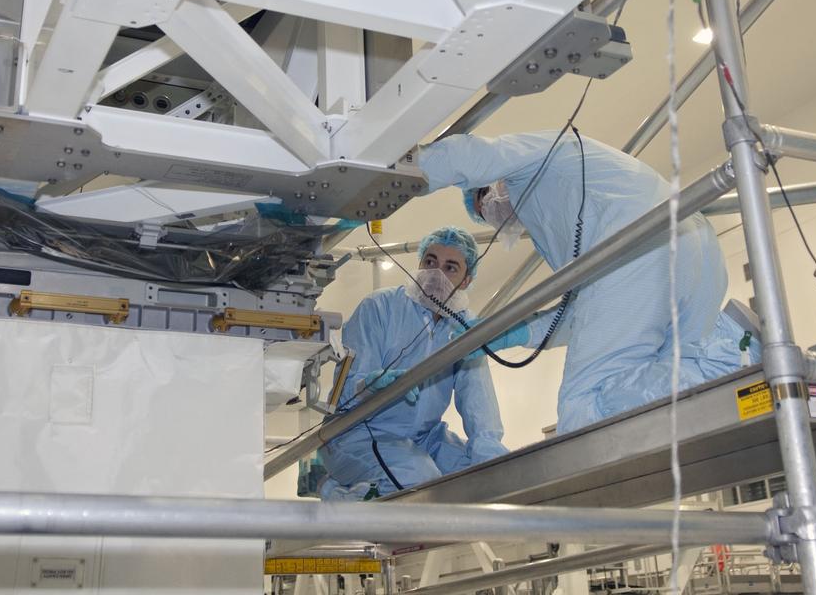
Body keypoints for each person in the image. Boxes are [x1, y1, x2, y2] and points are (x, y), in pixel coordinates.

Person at [420, 130, 754, 434]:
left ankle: (726, 362)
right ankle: (736, 350)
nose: (492, 212)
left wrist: (385, 178)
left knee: (585, 407)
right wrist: (519, 332)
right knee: (666, 385)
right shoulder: (557, 216)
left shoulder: (533, 155)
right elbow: (589, 310)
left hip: (634, 242)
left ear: (491, 180)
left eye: (484, 198)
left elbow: (465, 155)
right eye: (484, 214)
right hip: (695, 246)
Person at [318, 226, 510, 500]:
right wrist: (373, 384)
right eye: (430, 262)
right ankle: (336, 495)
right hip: (359, 433)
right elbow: (346, 392)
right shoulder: (380, 307)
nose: (436, 274)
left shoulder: (464, 325)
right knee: (419, 479)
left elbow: (478, 398)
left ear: (467, 279)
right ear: (419, 263)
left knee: (483, 477)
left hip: (423, 439)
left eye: (450, 267)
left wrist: (490, 453)